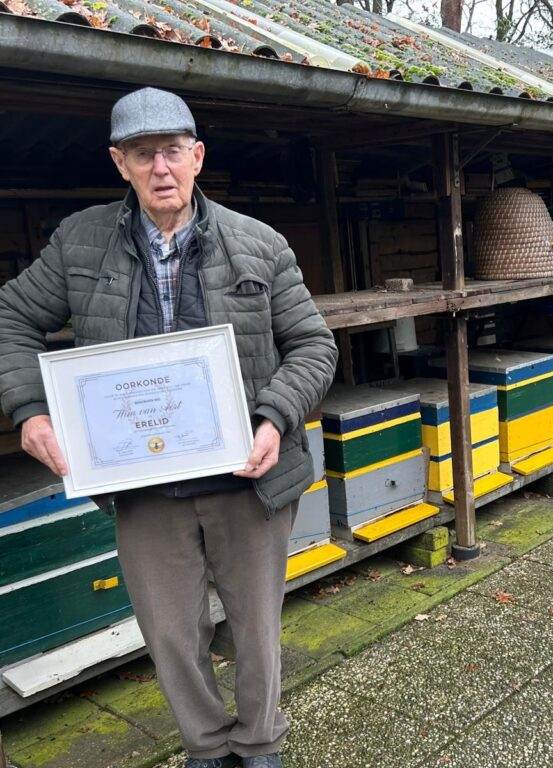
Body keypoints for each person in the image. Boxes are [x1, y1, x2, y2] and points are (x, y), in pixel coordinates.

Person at [0, 87, 338, 768]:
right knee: (171, 634)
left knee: (257, 630)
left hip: (248, 477)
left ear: (198, 157)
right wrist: (29, 411)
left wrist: (275, 417)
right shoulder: (78, 242)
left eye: (173, 151)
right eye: (143, 153)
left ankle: (260, 744)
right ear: (119, 163)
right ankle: (206, 747)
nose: (161, 168)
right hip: (142, 485)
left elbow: (313, 345)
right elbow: (11, 317)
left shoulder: (260, 243)